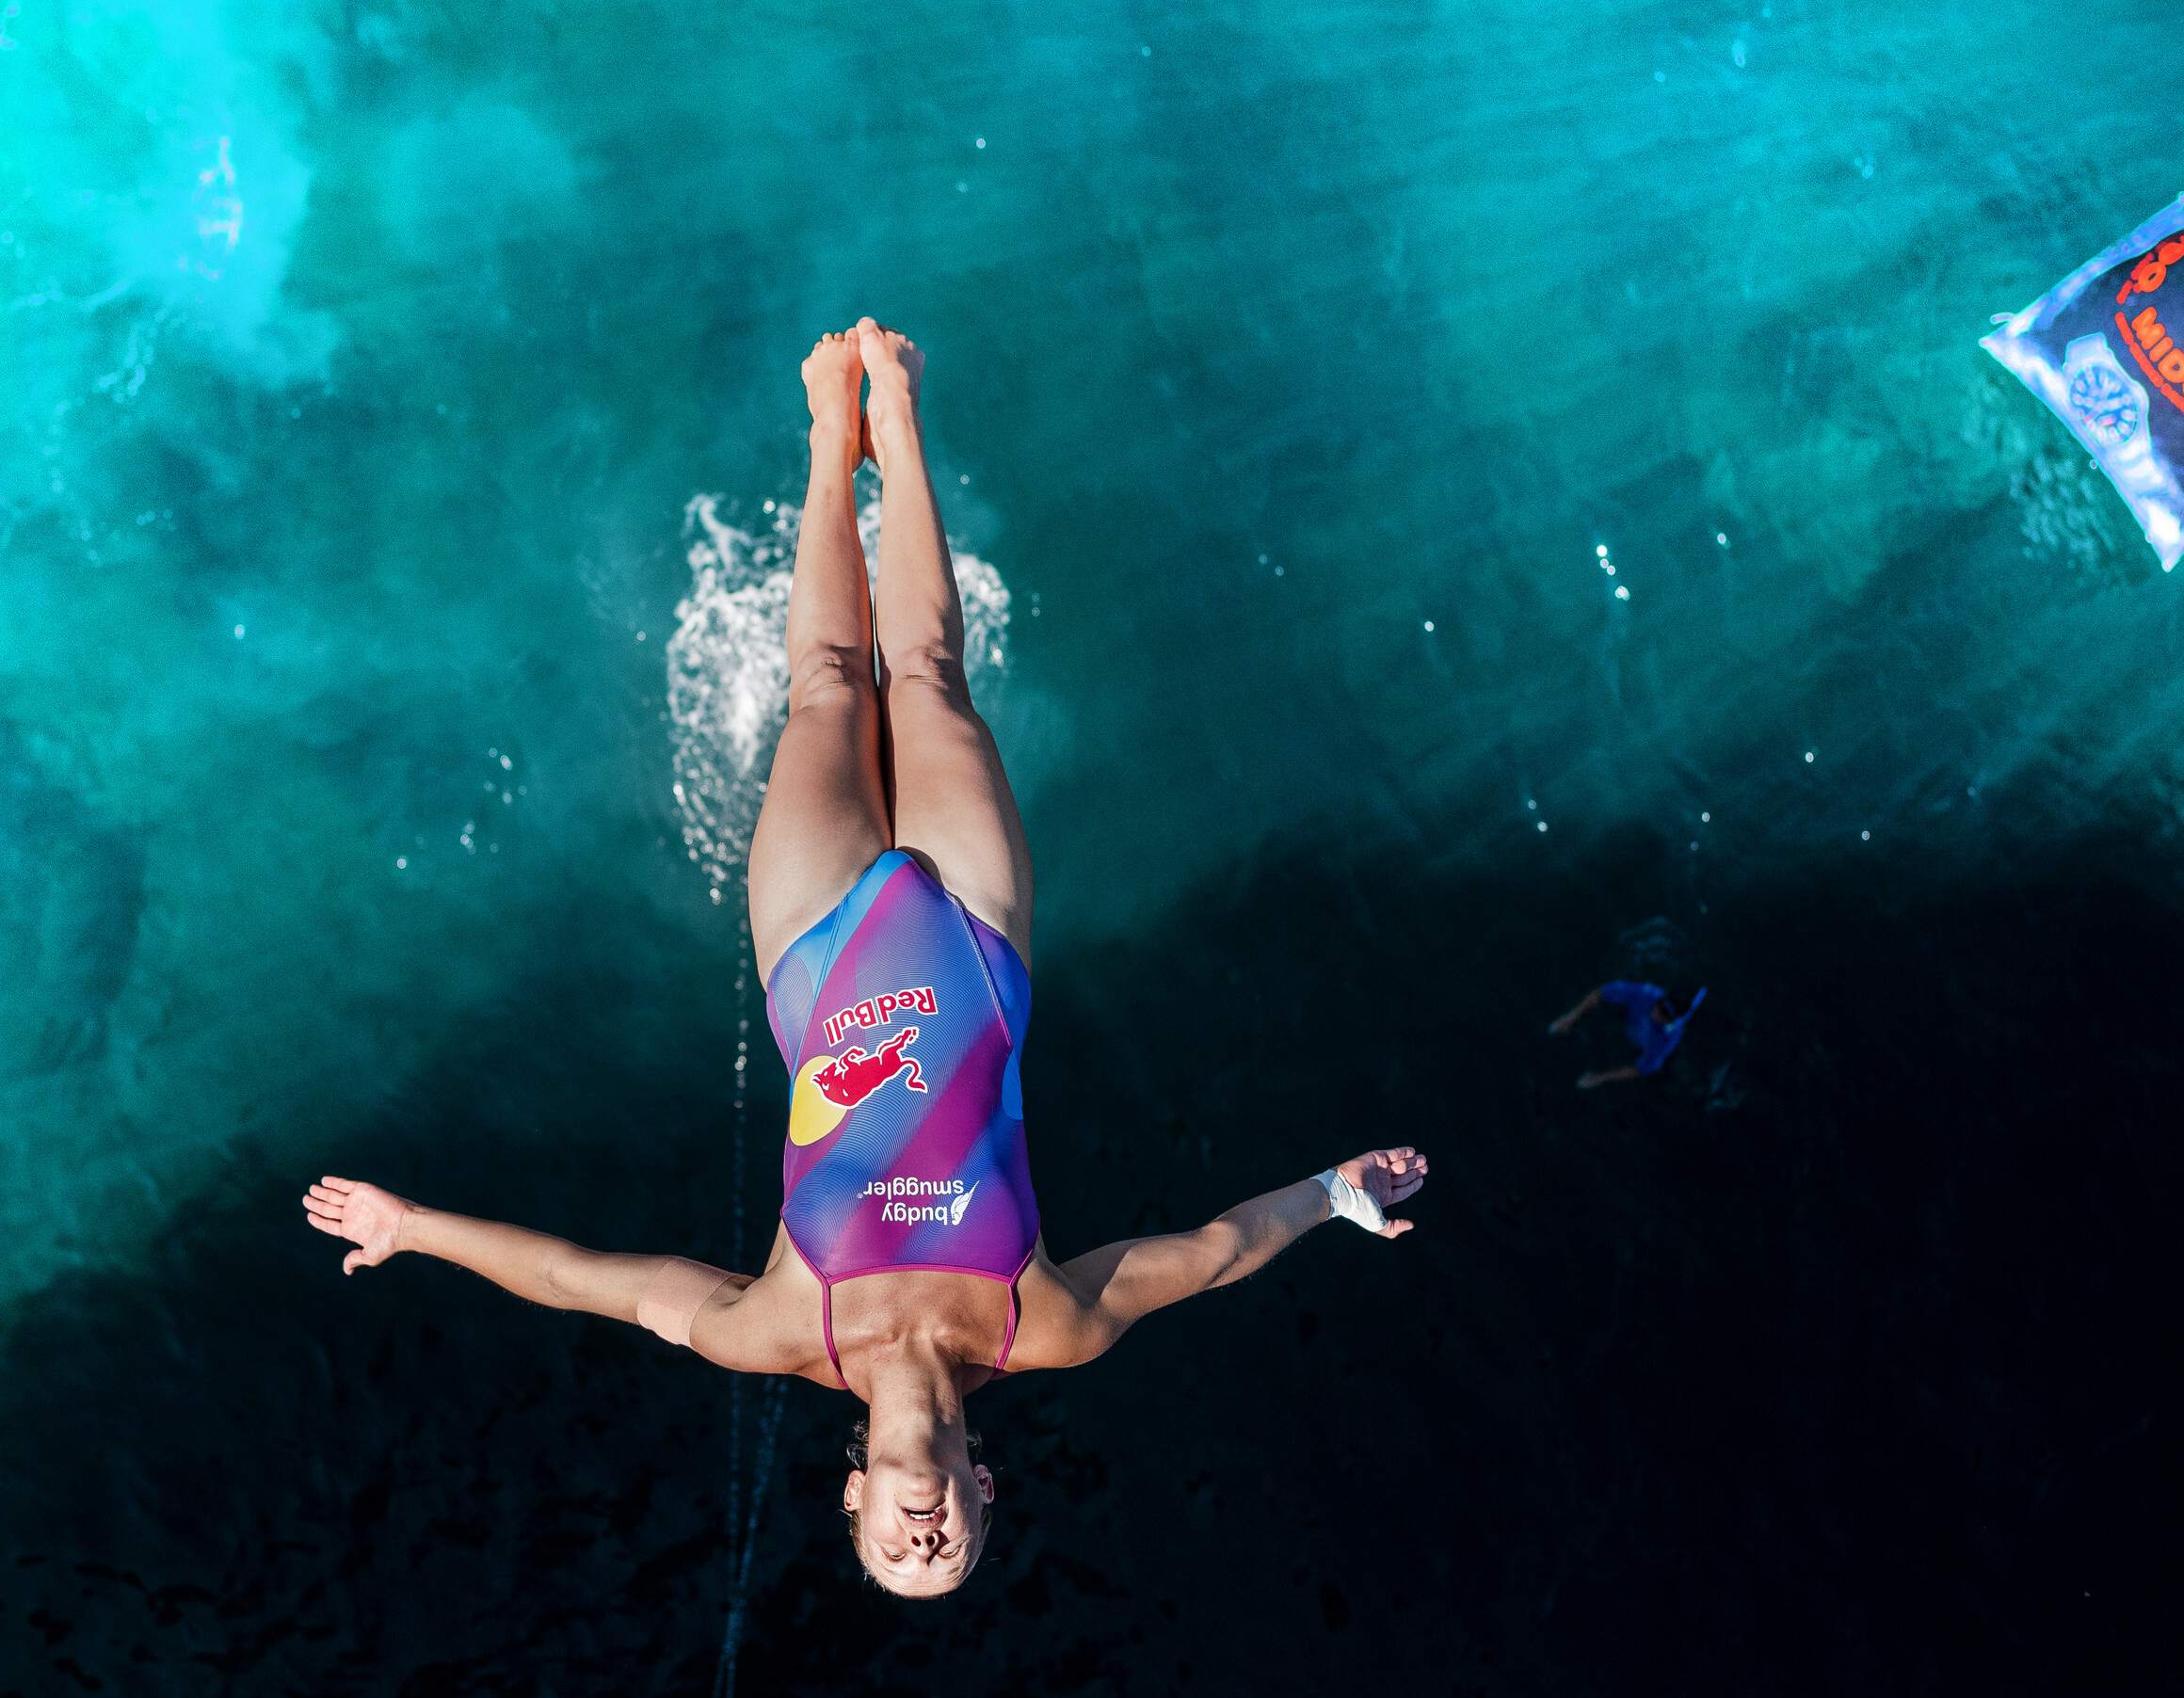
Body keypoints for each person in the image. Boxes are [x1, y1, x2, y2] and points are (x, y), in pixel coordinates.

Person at [308, 319, 1428, 1598]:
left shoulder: (779, 1330)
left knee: (830, 686)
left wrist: (416, 1228)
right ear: (984, 1490)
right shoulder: (1047, 1326)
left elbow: (585, 1281)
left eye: (895, 1555)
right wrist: (1335, 1195)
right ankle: (895, 413)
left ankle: (825, 430)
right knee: (931, 680)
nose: (927, 1544)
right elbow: (1215, 1251)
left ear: (851, 1499)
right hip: (974, 938)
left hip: (817, 947)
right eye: (952, 1552)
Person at [1550, 980, 1707, 1089]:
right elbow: (1601, 992)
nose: (1656, 1013)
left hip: (1641, 1045)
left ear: (1673, 1020)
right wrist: (1571, 1017)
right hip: (1628, 1024)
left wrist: (1600, 1078)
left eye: (1665, 1014)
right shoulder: (1647, 994)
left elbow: (1641, 1069)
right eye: (1659, 1005)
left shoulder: (1669, 1039)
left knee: (1659, 1076)